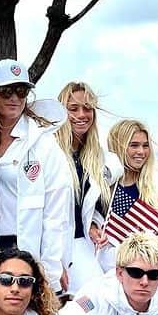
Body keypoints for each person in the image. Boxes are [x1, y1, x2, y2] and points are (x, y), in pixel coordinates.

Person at [0, 61, 73, 294]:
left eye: (22, 91)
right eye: (7, 91)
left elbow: (55, 213)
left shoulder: (44, 144)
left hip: (28, 250)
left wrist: (50, 270)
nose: (15, 98)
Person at [52, 82, 121, 288]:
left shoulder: (96, 158)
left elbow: (90, 205)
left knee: (92, 303)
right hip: (52, 245)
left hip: (82, 244)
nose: (82, 114)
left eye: (87, 108)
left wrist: (93, 225)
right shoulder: (49, 151)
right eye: (73, 108)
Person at [104, 118, 158, 293]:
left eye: (145, 145)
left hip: (152, 279)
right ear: (119, 146)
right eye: (134, 145)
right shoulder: (102, 186)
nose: (141, 151)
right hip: (110, 276)